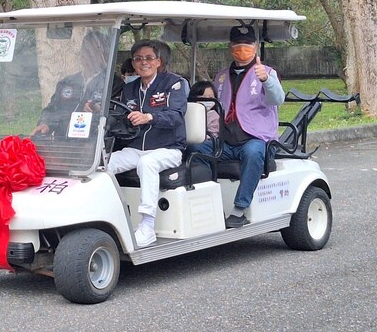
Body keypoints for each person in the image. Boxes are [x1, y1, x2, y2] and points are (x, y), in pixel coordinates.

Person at [185, 24, 284, 228]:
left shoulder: (266, 72)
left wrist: (266, 80)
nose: (242, 50)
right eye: (238, 45)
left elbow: (277, 99)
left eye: (247, 45)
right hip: (226, 140)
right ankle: (211, 200)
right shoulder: (221, 76)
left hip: (255, 138)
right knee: (195, 149)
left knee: (254, 153)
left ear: (255, 47)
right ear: (231, 47)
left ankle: (240, 208)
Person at [108, 39, 187, 247]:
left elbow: (177, 116)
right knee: (105, 163)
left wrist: (149, 117)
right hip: (136, 148)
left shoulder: (173, 84)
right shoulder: (130, 88)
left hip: (169, 148)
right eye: (138, 59)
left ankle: (147, 226)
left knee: (148, 163)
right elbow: (121, 116)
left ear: (158, 61)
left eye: (149, 58)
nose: (144, 62)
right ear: (133, 63)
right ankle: (109, 218)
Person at [30, 30, 110, 138]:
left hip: (93, 146)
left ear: (103, 54)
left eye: (94, 51)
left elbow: (113, 117)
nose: (89, 55)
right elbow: (53, 109)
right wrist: (45, 123)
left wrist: (97, 111)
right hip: (64, 144)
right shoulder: (68, 82)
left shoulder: (111, 83)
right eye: (86, 49)